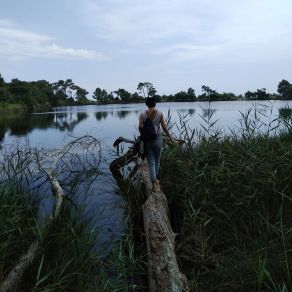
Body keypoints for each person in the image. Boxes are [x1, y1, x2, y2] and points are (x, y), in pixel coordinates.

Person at [138, 97, 178, 191]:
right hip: (157, 139)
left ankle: (154, 183)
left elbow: (140, 127)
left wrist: (144, 134)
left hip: (147, 141)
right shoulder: (159, 113)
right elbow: (164, 127)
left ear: (146, 104)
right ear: (155, 104)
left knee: (151, 162)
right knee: (157, 161)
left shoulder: (142, 114)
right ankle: (156, 182)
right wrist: (171, 139)